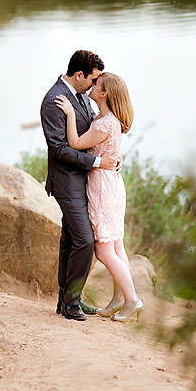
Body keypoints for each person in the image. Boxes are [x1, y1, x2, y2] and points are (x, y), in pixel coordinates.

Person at [54, 72, 143, 322]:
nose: (92, 86)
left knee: (104, 251)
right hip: (111, 184)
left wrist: (70, 114)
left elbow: (74, 143)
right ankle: (118, 299)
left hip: (103, 188)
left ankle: (132, 300)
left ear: (104, 94)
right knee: (116, 245)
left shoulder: (104, 124)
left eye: (97, 84)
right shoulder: (106, 119)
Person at [40, 50, 119, 321]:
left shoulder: (82, 97)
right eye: (94, 79)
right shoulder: (54, 101)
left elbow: (92, 133)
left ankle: (67, 299)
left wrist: (111, 156)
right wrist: (98, 162)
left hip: (85, 181)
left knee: (71, 239)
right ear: (79, 75)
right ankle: (71, 302)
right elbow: (59, 148)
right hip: (67, 182)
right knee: (85, 241)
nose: (96, 85)